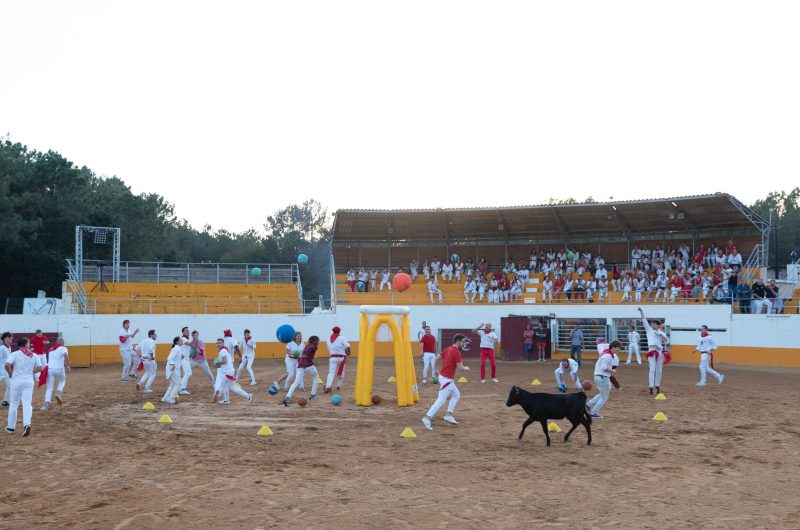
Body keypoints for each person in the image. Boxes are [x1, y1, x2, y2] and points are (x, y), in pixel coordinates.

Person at [421, 334, 470, 430]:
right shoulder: (456, 352)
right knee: (441, 400)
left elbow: (436, 358)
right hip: (447, 379)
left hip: (443, 377)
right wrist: (466, 368)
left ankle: (449, 414)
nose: (463, 343)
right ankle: (427, 418)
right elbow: (460, 367)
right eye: (463, 341)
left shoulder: (448, 349)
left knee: (456, 395)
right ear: (458, 341)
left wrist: (435, 370)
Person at [5, 337, 43, 436]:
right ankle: (27, 424)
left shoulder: (14, 354)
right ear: (26, 344)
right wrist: (31, 371)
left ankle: (10, 428)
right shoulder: (33, 355)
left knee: (14, 404)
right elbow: (40, 368)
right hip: (28, 381)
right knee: (27, 403)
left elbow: (7, 364)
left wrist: (10, 373)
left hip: (16, 381)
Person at [585, 339, 622, 419]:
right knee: (604, 397)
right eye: (618, 348)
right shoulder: (608, 356)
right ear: (614, 347)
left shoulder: (606, 354)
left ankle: (588, 405)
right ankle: (593, 413)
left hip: (599, 377)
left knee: (602, 394)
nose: (619, 349)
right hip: (602, 377)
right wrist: (612, 371)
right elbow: (603, 368)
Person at [213, 338, 254, 405]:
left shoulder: (222, 351)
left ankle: (227, 400)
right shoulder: (224, 350)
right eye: (217, 343)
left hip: (226, 372)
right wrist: (217, 363)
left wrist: (216, 362)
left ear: (223, 343)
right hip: (229, 371)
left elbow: (224, 361)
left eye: (219, 343)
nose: (218, 344)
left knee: (224, 385)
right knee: (232, 387)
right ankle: (248, 396)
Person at [638, 307, 669, 395]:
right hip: (652, 351)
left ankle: (657, 386)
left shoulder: (661, 333)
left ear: (658, 325)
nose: (653, 325)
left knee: (659, 370)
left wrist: (660, 334)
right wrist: (642, 311)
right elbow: (644, 320)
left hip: (660, 352)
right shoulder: (649, 330)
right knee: (652, 369)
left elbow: (666, 341)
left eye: (655, 324)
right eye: (652, 324)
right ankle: (651, 387)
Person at [283, 335, 321, 405]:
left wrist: (309, 360)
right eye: (318, 341)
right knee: (316, 376)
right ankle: (313, 395)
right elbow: (308, 357)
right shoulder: (314, 346)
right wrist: (313, 362)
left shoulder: (306, 346)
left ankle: (287, 397)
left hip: (300, 365)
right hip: (308, 365)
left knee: (296, 382)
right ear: (315, 341)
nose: (318, 342)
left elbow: (304, 356)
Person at [42, 338, 70, 411]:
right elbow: (65, 355)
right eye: (63, 342)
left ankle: (46, 405)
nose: (64, 343)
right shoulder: (63, 348)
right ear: (61, 342)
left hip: (50, 369)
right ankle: (58, 392)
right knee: (62, 381)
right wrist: (67, 366)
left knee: (49, 388)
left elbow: (55, 360)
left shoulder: (51, 349)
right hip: (59, 369)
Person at [324, 326, 350, 393]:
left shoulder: (328, 339)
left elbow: (329, 349)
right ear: (339, 331)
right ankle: (338, 385)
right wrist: (348, 352)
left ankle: (328, 386)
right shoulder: (342, 338)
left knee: (331, 373)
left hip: (333, 358)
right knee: (341, 371)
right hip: (341, 358)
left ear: (333, 331)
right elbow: (347, 346)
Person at [161, 337, 184, 405]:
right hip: (173, 369)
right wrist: (173, 364)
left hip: (172, 368)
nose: (182, 341)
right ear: (177, 342)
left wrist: (182, 356)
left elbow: (176, 357)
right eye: (181, 340)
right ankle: (171, 398)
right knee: (179, 384)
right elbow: (169, 358)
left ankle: (164, 398)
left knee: (172, 384)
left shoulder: (177, 348)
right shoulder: (176, 348)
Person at [178, 326, 193, 395]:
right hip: (184, 360)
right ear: (183, 332)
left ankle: (181, 387)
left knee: (186, 374)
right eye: (186, 330)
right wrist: (196, 340)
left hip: (185, 359)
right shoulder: (183, 338)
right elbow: (191, 345)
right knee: (188, 373)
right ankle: (181, 388)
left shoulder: (185, 339)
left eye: (188, 330)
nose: (188, 331)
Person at [0, 331, 12, 406]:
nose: (11, 338)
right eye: (9, 337)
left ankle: (5, 401)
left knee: (10, 386)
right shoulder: (2, 348)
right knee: (11, 386)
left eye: (11, 337)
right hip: (2, 371)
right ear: (5, 338)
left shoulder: (9, 348)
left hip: (6, 371)